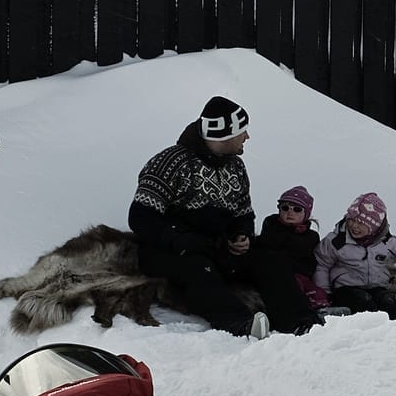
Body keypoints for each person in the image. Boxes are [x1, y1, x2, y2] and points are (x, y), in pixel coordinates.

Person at [128, 96, 320, 338]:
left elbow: (244, 213)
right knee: (200, 270)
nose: (247, 137)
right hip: (170, 251)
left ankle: (301, 322)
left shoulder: (236, 167)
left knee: (271, 261)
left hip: (216, 246)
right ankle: (240, 324)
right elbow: (140, 217)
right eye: (243, 131)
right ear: (225, 134)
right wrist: (181, 240)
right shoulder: (170, 162)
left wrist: (242, 235)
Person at [314, 192, 396, 319]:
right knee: (364, 304)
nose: (354, 226)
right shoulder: (336, 242)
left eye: (361, 223)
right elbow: (321, 265)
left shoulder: (387, 243)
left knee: (390, 305)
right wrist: (325, 293)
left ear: (374, 226)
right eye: (352, 220)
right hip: (346, 289)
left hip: (377, 287)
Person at [254, 185, 328, 311]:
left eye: (297, 209)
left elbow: (314, 260)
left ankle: (324, 313)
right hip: (280, 276)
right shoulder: (272, 228)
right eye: (285, 207)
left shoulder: (311, 237)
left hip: (303, 276)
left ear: (306, 213)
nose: (290, 212)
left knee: (318, 295)